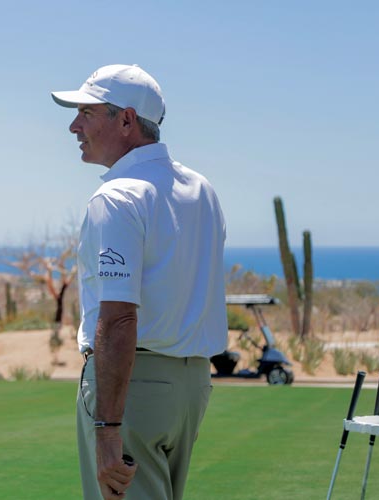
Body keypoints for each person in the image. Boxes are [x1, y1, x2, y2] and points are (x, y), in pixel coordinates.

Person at [51, 64, 227, 500]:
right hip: (191, 386)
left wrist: (108, 429)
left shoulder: (118, 197)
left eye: (87, 113)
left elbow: (117, 319)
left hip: (132, 387)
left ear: (126, 120)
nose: (74, 125)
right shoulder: (201, 188)